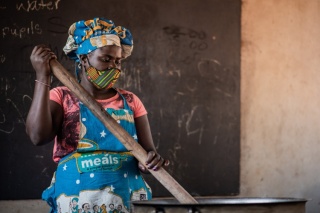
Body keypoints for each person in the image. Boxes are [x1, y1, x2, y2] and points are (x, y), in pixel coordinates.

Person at [26, 17, 169, 213]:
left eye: (118, 61)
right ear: (84, 59)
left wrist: (151, 162)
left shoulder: (131, 101)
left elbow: (147, 155)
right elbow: (37, 136)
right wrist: (43, 76)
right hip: (76, 201)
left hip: (126, 200)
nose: (114, 67)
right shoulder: (62, 97)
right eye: (106, 59)